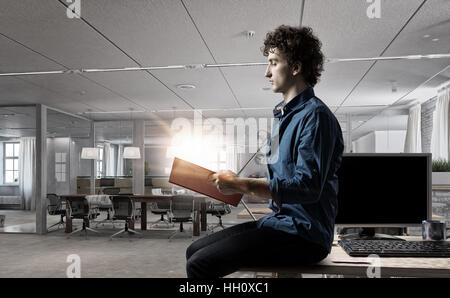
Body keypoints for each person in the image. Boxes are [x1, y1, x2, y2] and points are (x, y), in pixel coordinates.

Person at [185, 25, 344, 278]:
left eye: (273, 62)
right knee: (193, 250)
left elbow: (307, 187)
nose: (266, 72)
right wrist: (235, 181)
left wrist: (241, 185)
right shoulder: (283, 116)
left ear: (295, 67)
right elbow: (280, 180)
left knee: (199, 265)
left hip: (305, 235)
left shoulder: (316, 117)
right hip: (281, 223)